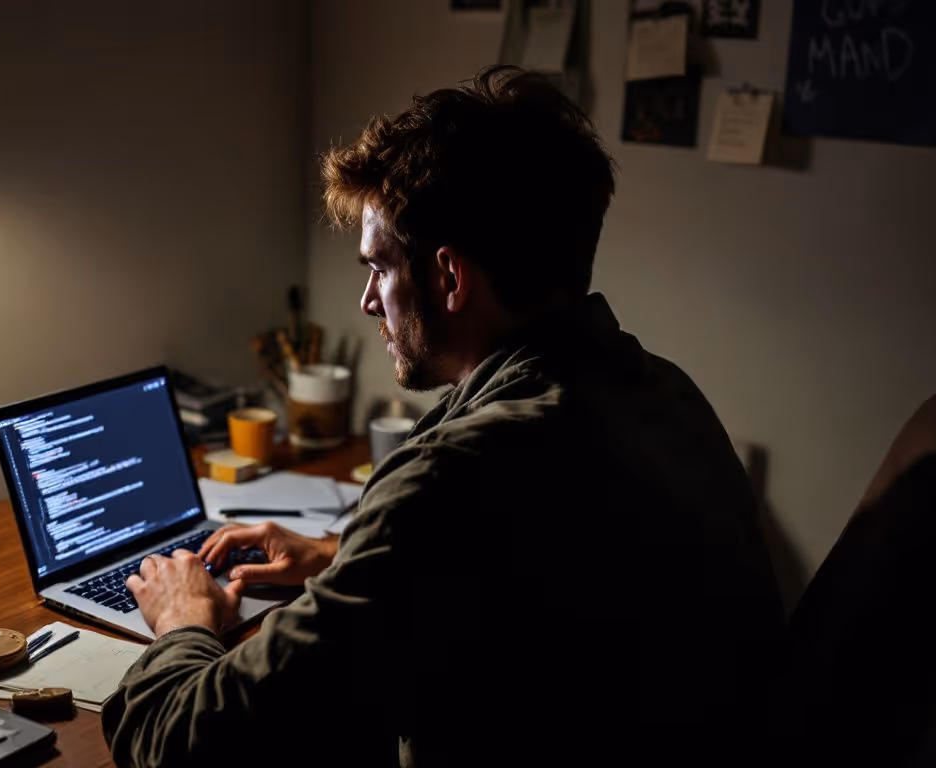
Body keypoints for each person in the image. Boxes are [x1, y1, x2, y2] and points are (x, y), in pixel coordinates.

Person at [102, 66, 786, 767]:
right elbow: (532, 570)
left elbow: (180, 742)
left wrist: (184, 621)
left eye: (380, 268)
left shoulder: (451, 479)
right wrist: (340, 561)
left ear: (449, 278)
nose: (370, 301)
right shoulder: (664, 393)